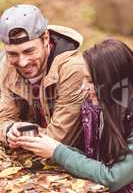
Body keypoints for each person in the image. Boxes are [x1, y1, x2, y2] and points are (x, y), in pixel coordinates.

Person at [17, 39, 133, 192]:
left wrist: (58, 151)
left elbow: (112, 177)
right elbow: (95, 160)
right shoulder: (99, 110)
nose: (83, 88)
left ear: (113, 82)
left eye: (90, 81)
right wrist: (49, 146)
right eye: (84, 78)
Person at [0, 4, 89, 149]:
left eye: (29, 51)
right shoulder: (8, 64)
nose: (22, 62)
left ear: (46, 38)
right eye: (13, 54)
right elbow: (3, 118)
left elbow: (60, 140)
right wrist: (10, 129)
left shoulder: (73, 68)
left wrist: (22, 137)